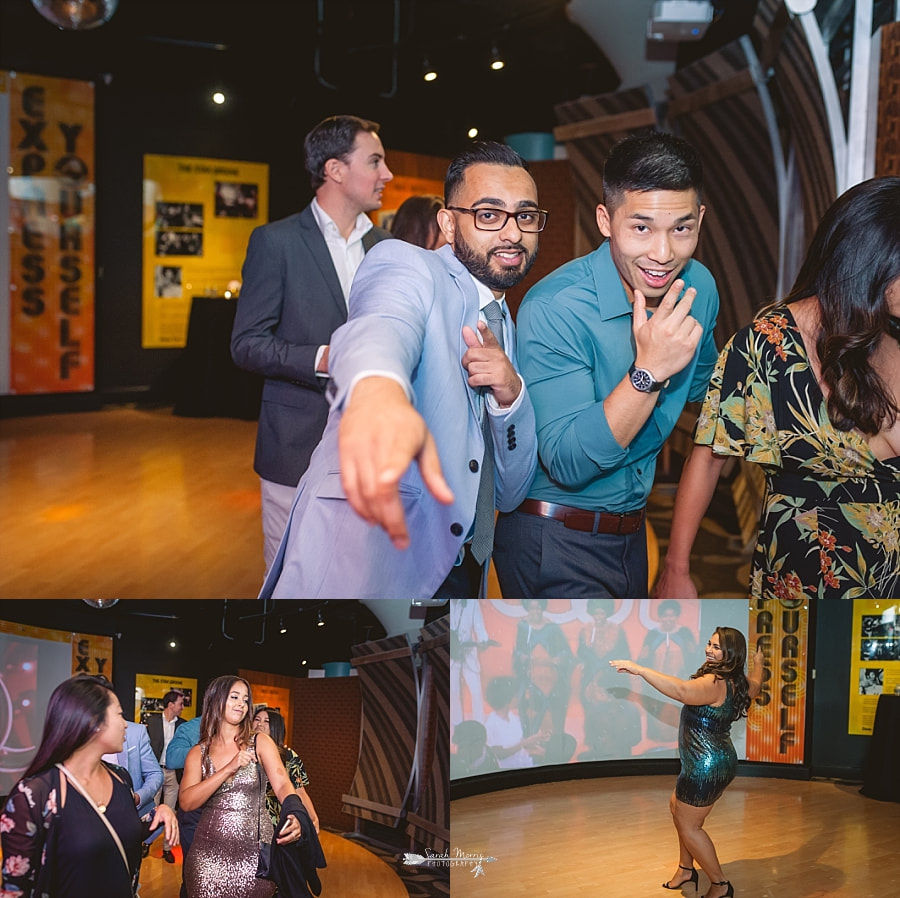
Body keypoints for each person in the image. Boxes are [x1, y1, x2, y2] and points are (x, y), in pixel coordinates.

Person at [260, 141, 543, 599]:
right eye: (489, 215)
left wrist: (511, 397)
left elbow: (509, 493)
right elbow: (381, 326)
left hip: (465, 567)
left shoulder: (504, 321)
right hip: (374, 559)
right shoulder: (409, 265)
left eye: (525, 216)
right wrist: (378, 392)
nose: (512, 233)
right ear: (449, 224)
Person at [493, 130, 720, 599]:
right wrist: (648, 373)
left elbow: (708, 392)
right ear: (605, 219)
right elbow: (570, 462)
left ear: (700, 219)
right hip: (552, 537)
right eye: (641, 228)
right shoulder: (555, 306)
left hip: (633, 536)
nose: (663, 253)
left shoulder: (698, 288)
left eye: (681, 228)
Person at [655, 176, 900, 600]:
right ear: (869, 262)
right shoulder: (767, 347)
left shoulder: (889, 330)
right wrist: (676, 569)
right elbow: (710, 456)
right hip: (804, 589)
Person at [231, 114, 394, 571]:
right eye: (376, 161)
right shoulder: (275, 242)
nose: (388, 175)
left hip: (371, 454)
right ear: (335, 170)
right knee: (291, 577)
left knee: (357, 575)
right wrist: (323, 358)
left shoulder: (386, 248)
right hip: (294, 450)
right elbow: (247, 343)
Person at [610, 627, 764, 898]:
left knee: (690, 825)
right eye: (709, 644)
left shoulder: (714, 683)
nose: (709, 649)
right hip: (714, 761)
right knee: (677, 808)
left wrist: (640, 669)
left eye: (716, 647)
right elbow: (757, 682)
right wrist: (759, 664)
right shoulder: (740, 683)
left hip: (706, 765)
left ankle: (720, 885)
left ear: (730, 653)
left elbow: (682, 690)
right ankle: (685, 869)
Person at [1, 674, 178, 898]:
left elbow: (118, 830)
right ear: (93, 722)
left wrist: (158, 814)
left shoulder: (121, 778)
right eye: (120, 714)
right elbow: (15, 889)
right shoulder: (33, 795)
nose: (126, 724)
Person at [178, 677, 304, 898]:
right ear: (216, 700)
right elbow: (187, 802)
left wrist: (295, 811)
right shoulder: (198, 753)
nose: (241, 704)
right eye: (234, 697)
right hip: (207, 859)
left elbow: (283, 783)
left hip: (254, 858)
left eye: (245, 700)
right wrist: (228, 768)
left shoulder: (260, 742)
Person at [512, 599, 575, 765]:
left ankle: (557, 755)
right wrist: (521, 657)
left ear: (542, 609)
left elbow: (566, 654)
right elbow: (516, 652)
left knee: (556, 716)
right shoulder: (522, 627)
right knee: (527, 709)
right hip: (530, 680)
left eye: (538, 608)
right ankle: (531, 754)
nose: (535, 611)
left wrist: (557, 660)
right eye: (531, 608)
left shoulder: (553, 628)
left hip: (552, 679)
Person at [101, 718, 163, 875]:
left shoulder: (135, 732)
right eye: (117, 713)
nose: (125, 723)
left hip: (129, 826)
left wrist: (138, 798)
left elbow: (155, 774)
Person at [251, 707, 319, 833]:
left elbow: (299, 791)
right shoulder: (243, 752)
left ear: (276, 727)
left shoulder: (288, 756)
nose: (260, 724)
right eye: (257, 719)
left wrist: (313, 817)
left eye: (266, 721)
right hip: (246, 818)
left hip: (276, 822)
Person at [165, 714, 203, 898]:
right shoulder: (192, 728)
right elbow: (171, 758)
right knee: (194, 876)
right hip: (196, 812)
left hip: (231, 815)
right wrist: (209, 749)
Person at [146, 689, 185, 863]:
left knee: (170, 813)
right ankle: (146, 842)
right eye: (180, 704)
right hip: (154, 773)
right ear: (171, 705)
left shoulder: (183, 726)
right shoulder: (152, 721)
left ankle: (167, 849)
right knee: (150, 811)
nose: (182, 707)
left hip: (173, 774)